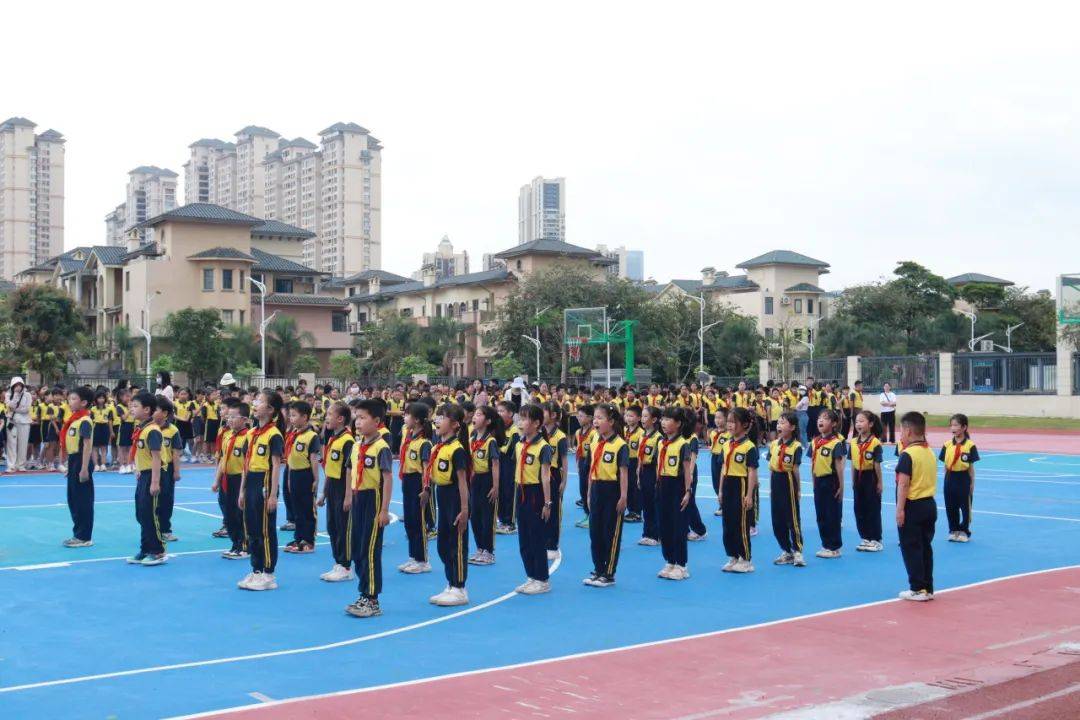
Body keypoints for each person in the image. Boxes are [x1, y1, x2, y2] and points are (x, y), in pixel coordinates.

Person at [344, 399, 394, 618]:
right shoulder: (356, 445)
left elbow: (387, 479)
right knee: (357, 549)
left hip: (373, 499)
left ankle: (372, 599)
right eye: (357, 416)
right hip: (358, 498)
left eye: (363, 417)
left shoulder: (381, 447)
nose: (358, 421)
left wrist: (384, 510)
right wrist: (348, 496)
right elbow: (350, 471)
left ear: (376, 421)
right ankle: (363, 593)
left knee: (370, 550)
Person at [420, 404, 471, 607]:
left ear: (455, 424)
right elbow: (432, 474)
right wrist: (426, 490)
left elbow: (463, 482)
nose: (437, 421)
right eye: (437, 417)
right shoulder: (437, 447)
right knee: (443, 545)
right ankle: (450, 583)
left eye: (443, 417)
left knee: (456, 544)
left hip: (456, 497)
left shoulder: (457, 450)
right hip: (442, 495)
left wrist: (465, 510)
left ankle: (459, 588)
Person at [236, 390, 284, 591]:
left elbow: (275, 466)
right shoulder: (250, 433)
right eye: (255, 400)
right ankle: (255, 569)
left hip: (265, 481)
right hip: (251, 481)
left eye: (260, 401)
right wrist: (241, 491)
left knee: (265, 529)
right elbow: (246, 465)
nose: (255, 404)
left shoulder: (274, 434)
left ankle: (268, 572)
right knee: (252, 527)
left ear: (271, 409)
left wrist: (272, 494)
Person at [584, 403, 629, 588]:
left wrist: (624, 497)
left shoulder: (620, 445)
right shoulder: (594, 440)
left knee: (610, 532)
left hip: (613, 490)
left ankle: (609, 573)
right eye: (594, 417)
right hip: (596, 488)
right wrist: (588, 492)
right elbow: (591, 469)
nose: (595, 421)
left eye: (600, 418)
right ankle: (598, 568)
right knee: (595, 532)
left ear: (610, 422)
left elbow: (624, 472)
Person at [895, 411, 938, 601]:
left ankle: (917, 588)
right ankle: (927, 587)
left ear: (908, 430)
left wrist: (900, 509)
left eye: (901, 431)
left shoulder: (908, 454)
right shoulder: (929, 451)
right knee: (925, 547)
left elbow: (903, 484)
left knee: (911, 546)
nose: (900, 435)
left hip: (913, 505)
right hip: (929, 504)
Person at [513, 403, 553, 594]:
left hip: (535, 493)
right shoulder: (519, 444)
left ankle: (542, 579)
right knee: (524, 538)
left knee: (536, 537)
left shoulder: (543, 447)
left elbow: (545, 476)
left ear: (537, 423)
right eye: (520, 417)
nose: (520, 421)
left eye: (525, 418)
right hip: (520, 491)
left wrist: (547, 502)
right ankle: (531, 576)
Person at [127, 392, 166, 566]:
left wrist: (155, 482)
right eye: (131, 406)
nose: (131, 409)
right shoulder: (141, 429)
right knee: (141, 513)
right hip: (144, 474)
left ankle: (157, 550)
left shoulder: (152, 431)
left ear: (147, 409)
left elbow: (157, 457)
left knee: (151, 514)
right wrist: (138, 469)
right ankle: (145, 548)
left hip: (153, 475)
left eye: (135, 406)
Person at [719, 407, 759, 573]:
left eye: (733, 422)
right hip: (728, 483)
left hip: (741, 484)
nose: (729, 425)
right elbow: (723, 467)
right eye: (728, 421)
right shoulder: (727, 444)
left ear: (744, 425)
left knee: (741, 523)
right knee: (728, 523)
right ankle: (733, 556)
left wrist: (749, 495)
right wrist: (720, 490)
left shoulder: (749, 447)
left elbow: (752, 471)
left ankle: (745, 559)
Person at [656, 407, 694, 580]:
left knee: (678, 527)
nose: (664, 422)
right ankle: (670, 560)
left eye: (668, 419)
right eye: (663, 419)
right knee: (665, 526)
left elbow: (687, 470)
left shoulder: (683, 444)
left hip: (677, 486)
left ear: (678, 424)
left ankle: (681, 564)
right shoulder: (661, 442)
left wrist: (687, 491)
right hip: (662, 485)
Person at [319, 402, 356, 582]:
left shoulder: (348, 440)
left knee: (343, 527)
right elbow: (329, 469)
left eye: (330, 414)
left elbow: (350, 470)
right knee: (332, 526)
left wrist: (348, 495)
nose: (326, 417)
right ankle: (338, 562)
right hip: (332, 486)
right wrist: (324, 493)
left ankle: (346, 565)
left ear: (340, 419)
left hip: (343, 487)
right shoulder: (333, 439)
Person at [283, 401, 322, 554]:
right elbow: (290, 457)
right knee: (296, 508)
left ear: (305, 417)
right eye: (290, 415)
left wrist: (316, 479)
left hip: (306, 475)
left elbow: (313, 459)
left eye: (294, 415)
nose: (291, 418)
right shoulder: (293, 434)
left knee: (307, 509)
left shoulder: (311, 436)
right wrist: (288, 477)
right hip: (293, 474)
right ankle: (298, 537)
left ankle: (309, 540)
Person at [398, 403, 433, 573]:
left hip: (418, 482)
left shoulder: (424, 443)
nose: (404, 418)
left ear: (417, 420)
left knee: (418, 521)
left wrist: (426, 488)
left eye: (407, 415)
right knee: (410, 521)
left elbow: (427, 467)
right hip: (407, 480)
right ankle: (413, 556)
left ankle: (422, 560)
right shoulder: (409, 437)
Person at [768, 411, 804, 566]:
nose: (779, 425)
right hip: (776, 480)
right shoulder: (774, 444)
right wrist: (770, 487)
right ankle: (786, 550)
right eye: (778, 423)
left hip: (788, 480)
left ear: (793, 427)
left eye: (783, 422)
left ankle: (797, 551)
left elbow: (795, 469)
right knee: (777, 518)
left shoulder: (796, 446)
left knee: (792, 517)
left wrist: (798, 489)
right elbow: (771, 467)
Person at [468, 405, 503, 566]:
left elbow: (495, 464)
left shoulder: (491, 441)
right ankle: (479, 548)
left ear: (488, 421)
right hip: (475, 481)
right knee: (474, 516)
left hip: (488, 479)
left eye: (479, 415)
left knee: (487, 517)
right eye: (475, 414)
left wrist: (495, 486)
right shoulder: (472, 439)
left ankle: (489, 551)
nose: (475, 417)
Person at [214, 402, 249, 559]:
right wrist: (217, 480)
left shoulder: (248, 437)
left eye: (234, 417)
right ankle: (235, 543)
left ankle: (244, 545)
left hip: (240, 479)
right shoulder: (227, 436)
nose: (230, 420)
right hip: (226, 479)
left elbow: (247, 464)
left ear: (244, 419)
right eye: (229, 416)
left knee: (239, 514)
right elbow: (223, 459)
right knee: (229, 515)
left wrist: (243, 487)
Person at [62, 386, 95, 548]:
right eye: (69, 398)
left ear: (83, 402)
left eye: (73, 398)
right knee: (73, 499)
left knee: (82, 500)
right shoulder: (74, 419)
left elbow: (87, 445)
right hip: (74, 460)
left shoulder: (85, 421)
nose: (70, 401)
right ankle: (78, 533)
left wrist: (83, 468)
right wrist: (70, 466)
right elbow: (72, 445)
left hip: (82, 460)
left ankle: (84, 536)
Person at [811, 409, 846, 559]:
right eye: (820, 418)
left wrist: (841, 486)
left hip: (831, 480)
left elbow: (839, 466)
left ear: (834, 424)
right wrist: (813, 483)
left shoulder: (836, 443)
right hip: (818, 481)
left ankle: (834, 546)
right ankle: (825, 544)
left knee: (832, 514)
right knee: (821, 515)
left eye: (825, 418)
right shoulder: (815, 441)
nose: (821, 420)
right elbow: (813, 464)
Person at [941, 413, 979, 543]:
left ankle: (964, 531)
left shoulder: (970, 445)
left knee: (965, 506)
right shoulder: (947, 445)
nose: (953, 427)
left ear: (964, 427)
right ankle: (953, 530)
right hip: (950, 477)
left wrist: (972, 483)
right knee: (950, 506)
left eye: (956, 425)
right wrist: (945, 480)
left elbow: (971, 467)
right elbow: (945, 464)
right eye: (951, 425)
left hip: (963, 478)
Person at [850, 410, 884, 552]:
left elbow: (877, 465)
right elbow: (852, 463)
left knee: (873, 508)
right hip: (858, 477)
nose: (858, 424)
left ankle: (876, 539)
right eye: (857, 421)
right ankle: (865, 537)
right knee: (859, 508)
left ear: (870, 424)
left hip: (871, 477)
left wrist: (880, 482)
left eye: (862, 421)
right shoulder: (853, 442)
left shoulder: (875, 442)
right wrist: (852, 481)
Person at [542, 402, 569, 559]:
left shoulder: (560, 436)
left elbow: (564, 460)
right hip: (541, 473)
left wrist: (564, 481)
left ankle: (552, 545)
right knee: (542, 508)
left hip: (554, 474)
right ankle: (543, 539)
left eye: (544, 412)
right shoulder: (540, 433)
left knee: (554, 510)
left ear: (552, 416)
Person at [155, 398, 181, 543]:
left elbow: (176, 452)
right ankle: (153, 528)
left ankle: (165, 529)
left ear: (165, 413)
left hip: (167, 469)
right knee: (151, 500)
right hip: (151, 468)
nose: (153, 412)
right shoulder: (148, 428)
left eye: (156, 409)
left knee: (166, 499)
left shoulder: (172, 430)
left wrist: (176, 471)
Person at [636, 405, 662, 546]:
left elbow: (659, 461)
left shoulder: (658, 438)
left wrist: (658, 479)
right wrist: (638, 473)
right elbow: (641, 456)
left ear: (654, 419)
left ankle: (656, 534)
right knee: (645, 503)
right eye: (642, 416)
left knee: (653, 503)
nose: (643, 419)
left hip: (653, 471)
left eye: (646, 416)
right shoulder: (642, 435)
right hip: (643, 470)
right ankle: (647, 533)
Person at [494, 401, 520, 535]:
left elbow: (510, 450)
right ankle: (501, 519)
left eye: (501, 411)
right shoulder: (498, 428)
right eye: (497, 411)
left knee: (509, 493)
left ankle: (510, 522)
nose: (498, 414)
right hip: (498, 465)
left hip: (509, 466)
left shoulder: (515, 431)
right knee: (500, 492)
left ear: (510, 413)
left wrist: (496, 449)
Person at [4, 377, 32, 473]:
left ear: (23, 385)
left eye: (20, 384)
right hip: (12, 422)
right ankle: (11, 466)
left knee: (23, 444)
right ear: (12, 385)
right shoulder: (8, 394)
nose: (18, 387)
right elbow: (10, 405)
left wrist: (14, 409)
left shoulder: (27, 395)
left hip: (24, 422)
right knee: (11, 444)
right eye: (16, 385)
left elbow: (26, 409)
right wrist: (15, 395)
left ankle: (21, 465)